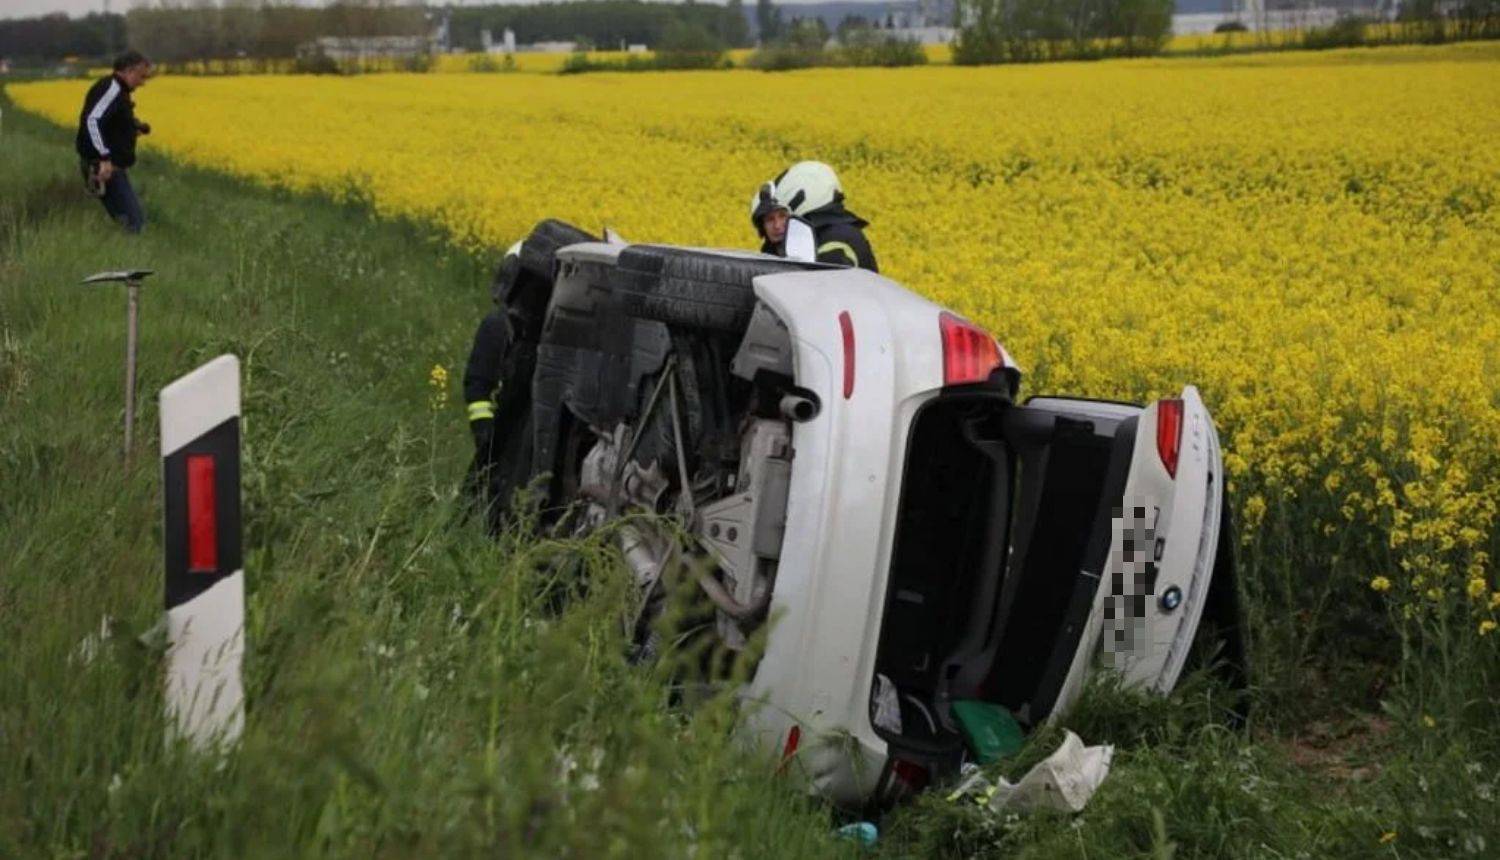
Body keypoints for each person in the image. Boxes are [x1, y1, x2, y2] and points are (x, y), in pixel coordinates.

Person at [750, 161, 877, 272]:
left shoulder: (837, 240)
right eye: (769, 220)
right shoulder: (792, 242)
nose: (777, 226)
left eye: (783, 215)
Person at [76, 51, 153, 234]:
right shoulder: (111, 89)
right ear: (128, 70)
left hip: (110, 165)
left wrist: (132, 127)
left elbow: (111, 120)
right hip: (103, 167)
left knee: (129, 222)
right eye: (141, 76)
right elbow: (92, 121)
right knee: (133, 224)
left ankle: (124, 255)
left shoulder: (119, 91)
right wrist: (103, 157)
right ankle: (129, 260)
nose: (143, 82)